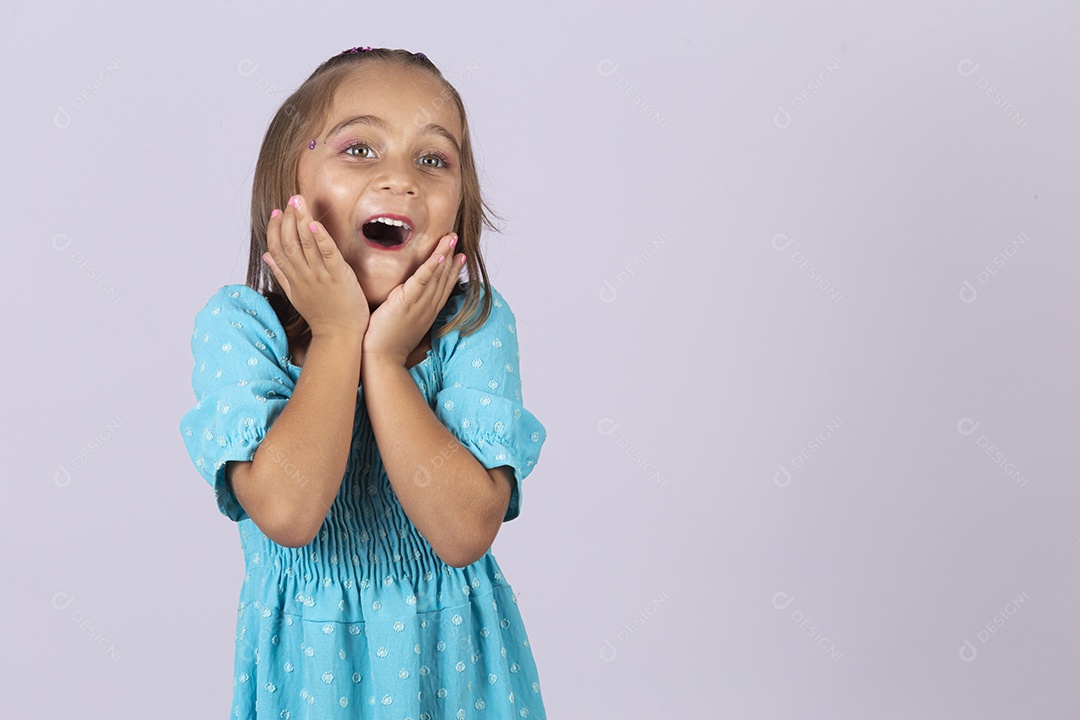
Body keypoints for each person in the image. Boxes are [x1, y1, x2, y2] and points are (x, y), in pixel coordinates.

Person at [179, 46, 548, 719]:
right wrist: (339, 335)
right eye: (359, 149)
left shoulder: (474, 326)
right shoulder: (239, 329)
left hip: (459, 686)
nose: (401, 180)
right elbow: (289, 512)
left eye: (433, 159)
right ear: (288, 184)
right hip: (309, 689)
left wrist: (384, 363)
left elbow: (465, 530)